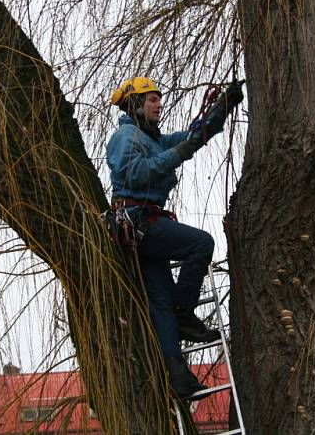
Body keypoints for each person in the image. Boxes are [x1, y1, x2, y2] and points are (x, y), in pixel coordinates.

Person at [106, 76, 244, 399]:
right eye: (152, 99)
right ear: (136, 105)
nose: (159, 104)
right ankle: (185, 312)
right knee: (201, 244)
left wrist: (222, 106)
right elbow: (135, 174)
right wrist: (177, 153)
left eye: (158, 99)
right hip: (139, 221)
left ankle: (178, 377)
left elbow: (194, 138)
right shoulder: (125, 136)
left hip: (142, 227)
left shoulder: (153, 140)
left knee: (161, 304)